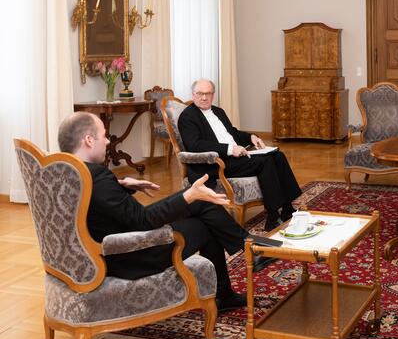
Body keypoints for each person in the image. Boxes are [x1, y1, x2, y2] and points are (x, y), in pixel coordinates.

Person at [57, 111, 276, 312]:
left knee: (200, 200)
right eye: (104, 136)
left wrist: (121, 186)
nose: (107, 141)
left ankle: (247, 248)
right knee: (204, 218)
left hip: (107, 246)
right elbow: (143, 221)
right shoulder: (99, 177)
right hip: (129, 254)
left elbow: (94, 201)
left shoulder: (64, 171)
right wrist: (188, 196)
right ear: (88, 140)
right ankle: (236, 271)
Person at [178, 79, 302, 231]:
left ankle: (288, 208)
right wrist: (230, 149)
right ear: (193, 94)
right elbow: (195, 145)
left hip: (234, 157)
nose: (204, 97)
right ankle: (272, 216)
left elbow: (232, 132)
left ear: (213, 94)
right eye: (200, 94)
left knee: (278, 156)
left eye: (208, 93)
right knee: (265, 162)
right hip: (214, 164)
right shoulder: (188, 116)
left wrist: (251, 137)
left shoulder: (218, 111)